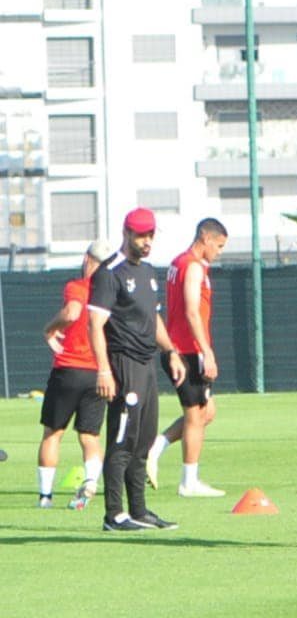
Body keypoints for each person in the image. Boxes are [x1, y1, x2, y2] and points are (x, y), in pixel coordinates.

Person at [88, 207, 186, 531]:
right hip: (123, 363)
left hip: (146, 364)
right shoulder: (109, 273)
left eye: (150, 235)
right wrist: (104, 370)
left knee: (143, 440)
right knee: (122, 440)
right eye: (141, 235)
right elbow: (95, 324)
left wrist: (171, 351)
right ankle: (114, 515)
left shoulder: (148, 272)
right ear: (126, 233)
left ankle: (139, 510)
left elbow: (153, 318)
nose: (146, 241)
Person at [146, 218, 229, 498]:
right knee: (195, 416)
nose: (219, 252)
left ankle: (157, 446)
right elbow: (192, 311)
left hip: (180, 349)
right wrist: (207, 351)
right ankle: (188, 482)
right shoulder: (192, 267)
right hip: (187, 351)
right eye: (218, 246)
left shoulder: (178, 263)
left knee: (207, 412)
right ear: (206, 238)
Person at [37, 240, 114, 510]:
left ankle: (45, 497)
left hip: (69, 369)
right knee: (90, 436)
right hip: (98, 372)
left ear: (86, 258)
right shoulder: (110, 292)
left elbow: (72, 312)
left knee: (53, 433)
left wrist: (49, 328)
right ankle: (90, 483)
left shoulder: (78, 286)